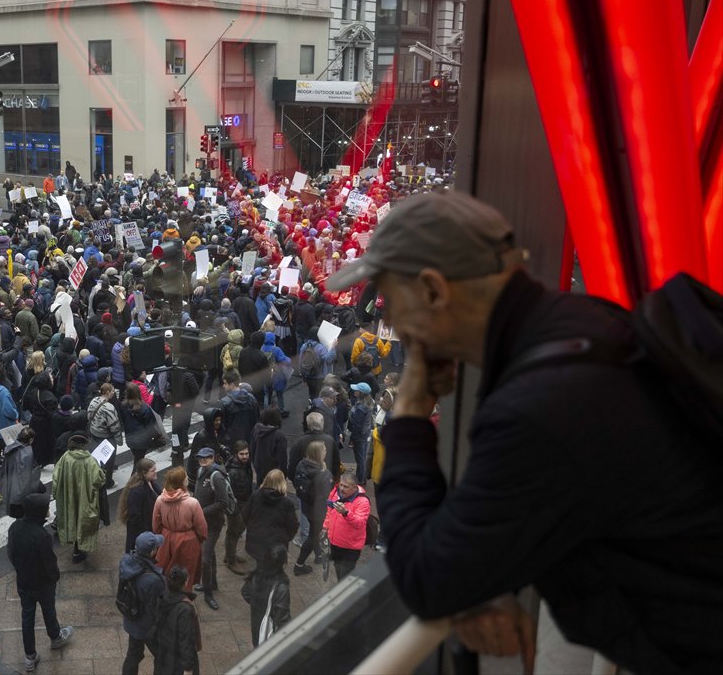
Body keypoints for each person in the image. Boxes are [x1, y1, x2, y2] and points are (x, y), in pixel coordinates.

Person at [328, 191, 723, 671]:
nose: (386, 318)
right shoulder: (581, 326)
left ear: (433, 290)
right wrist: (495, 567)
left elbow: (429, 580)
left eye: (390, 298)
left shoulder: (541, 404)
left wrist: (409, 416)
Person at [6, 493, 74, 673]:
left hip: (24, 582)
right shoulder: (42, 536)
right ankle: (55, 637)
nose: (48, 510)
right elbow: (49, 562)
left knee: (27, 617)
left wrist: (20, 569)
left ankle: (30, 656)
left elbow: (10, 552)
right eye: (46, 508)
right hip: (43, 583)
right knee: (48, 610)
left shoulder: (15, 527)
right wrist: (55, 577)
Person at [52, 432, 106, 563]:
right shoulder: (90, 460)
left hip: (68, 498)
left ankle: (74, 545)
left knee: (71, 519)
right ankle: (80, 549)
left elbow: (56, 478)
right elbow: (98, 481)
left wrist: (56, 494)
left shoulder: (65, 458)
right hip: (85, 498)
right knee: (83, 521)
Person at [151, 467, 207, 593]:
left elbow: (156, 524)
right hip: (187, 541)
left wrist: (162, 536)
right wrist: (200, 538)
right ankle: (184, 595)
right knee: (187, 570)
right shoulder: (192, 503)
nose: (187, 479)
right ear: (181, 482)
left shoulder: (160, 500)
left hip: (166, 539)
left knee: (166, 569)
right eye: (186, 478)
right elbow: (201, 527)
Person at [119, 532, 167, 675]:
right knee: (163, 657)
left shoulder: (126, 561)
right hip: (147, 627)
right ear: (152, 552)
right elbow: (155, 610)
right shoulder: (154, 581)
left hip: (131, 619)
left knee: (133, 655)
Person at [192, 447, 231, 611]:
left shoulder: (216, 476)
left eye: (206, 457)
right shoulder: (200, 470)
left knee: (205, 559)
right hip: (202, 522)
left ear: (213, 458)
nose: (203, 460)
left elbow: (223, 503)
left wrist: (200, 511)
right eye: (200, 457)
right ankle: (212, 582)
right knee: (210, 553)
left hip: (213, 523)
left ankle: (208, 593)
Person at [292, 441, 334, 575]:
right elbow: (328, 495)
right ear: (318, 454)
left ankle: (319, 556)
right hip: (319, 511)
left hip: (306, 506)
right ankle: (299, 564)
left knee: (314, 531)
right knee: (314, 535)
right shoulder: (325, 474)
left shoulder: (301, 465)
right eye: (324, 450)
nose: (326, 452)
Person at [241, 469, 298, 567]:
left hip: (256, 540)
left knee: (260, 565)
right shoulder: (286, 503)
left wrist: (252, 528)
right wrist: (285, 538)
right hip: (277, 543)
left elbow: (245, 515)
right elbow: (293, 525)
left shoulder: (255, 495)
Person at [152, 565, 201, 675]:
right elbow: (186, 640)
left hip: (163, 655)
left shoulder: (162, 596)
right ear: (185, 583)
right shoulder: (185, 609)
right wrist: (188, 668)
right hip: (177, 661)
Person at [241, 545, 292, 648]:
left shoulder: (256, 575)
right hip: (270, 630)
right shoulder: (281, 588)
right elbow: (282, 619)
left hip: (257, 623)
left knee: (257, 644)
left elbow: (245, 592)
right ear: (282, 564)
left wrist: (257, 603)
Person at [322, 473, 370, 581]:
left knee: (345, 575)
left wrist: (346, 513)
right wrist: (325, 527)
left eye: (346, 486)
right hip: (334, 543)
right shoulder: (335, 493)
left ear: (355, 487)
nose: (342, 489)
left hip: (350, 548)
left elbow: (360, 523)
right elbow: (329, 511)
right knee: (338, 569)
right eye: (341, 485)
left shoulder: (363, 501)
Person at [224, 440, 254, 573]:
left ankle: (230, 554)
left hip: (244, 503)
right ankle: (231, 560)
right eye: (242, 454)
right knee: (233, 532)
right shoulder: (233, 471)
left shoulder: (244, 465)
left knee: (238, 530)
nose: (245, 456)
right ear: (236, 454)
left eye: (246, 453)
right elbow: (229, 493)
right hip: (236, 506)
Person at [118, 457, 159, 554]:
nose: (156, 472)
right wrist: (145, 535)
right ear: (144, 473)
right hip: (141, 533)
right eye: (153, 471)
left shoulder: (150, 482)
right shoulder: (137, 491)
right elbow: (135, 518)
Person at [249, 407, 288, 485]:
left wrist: (256, 465)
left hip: (259, 470)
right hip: (274, 475)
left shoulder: (256, 429)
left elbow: (252, 449)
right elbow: (282, 459)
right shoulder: (279, 435)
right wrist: (283, 474)